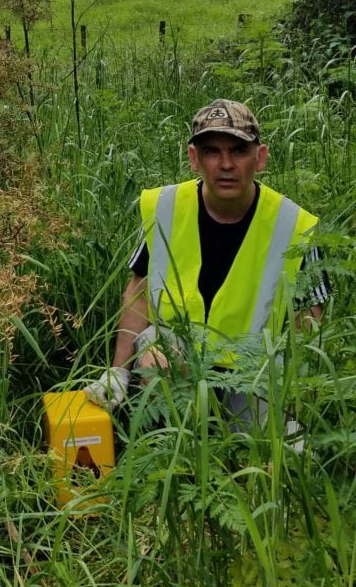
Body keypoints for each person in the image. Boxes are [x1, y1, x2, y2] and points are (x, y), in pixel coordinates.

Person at [85, 99, 329, 426]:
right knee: (159, 357)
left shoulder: (293, 225)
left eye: (239, 151)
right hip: (180, 352)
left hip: (252, 367)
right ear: (193, 158)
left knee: (263, 453)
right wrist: (117, 372)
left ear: (260, 158)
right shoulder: (168, 207)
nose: (225, 164)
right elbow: (139, 290)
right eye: (212, 151)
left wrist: (296, 408)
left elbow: (308, 324)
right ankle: (164, 449)